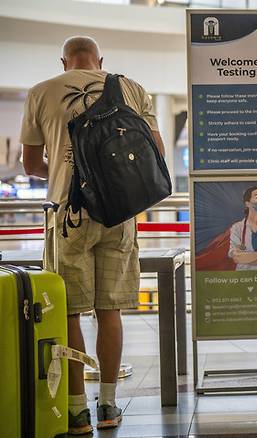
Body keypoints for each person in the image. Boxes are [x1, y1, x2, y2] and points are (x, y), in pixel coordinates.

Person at [20, 36, 165, 435]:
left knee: (69, 311)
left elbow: (33, 165)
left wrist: (67, 164)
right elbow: (156, 153)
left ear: (63, 62)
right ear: (100, 61)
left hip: (70, 214)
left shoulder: (40, 92)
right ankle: (108, 404)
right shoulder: (132, 88)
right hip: (120, 212)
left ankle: (77, 409)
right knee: (110, 311)